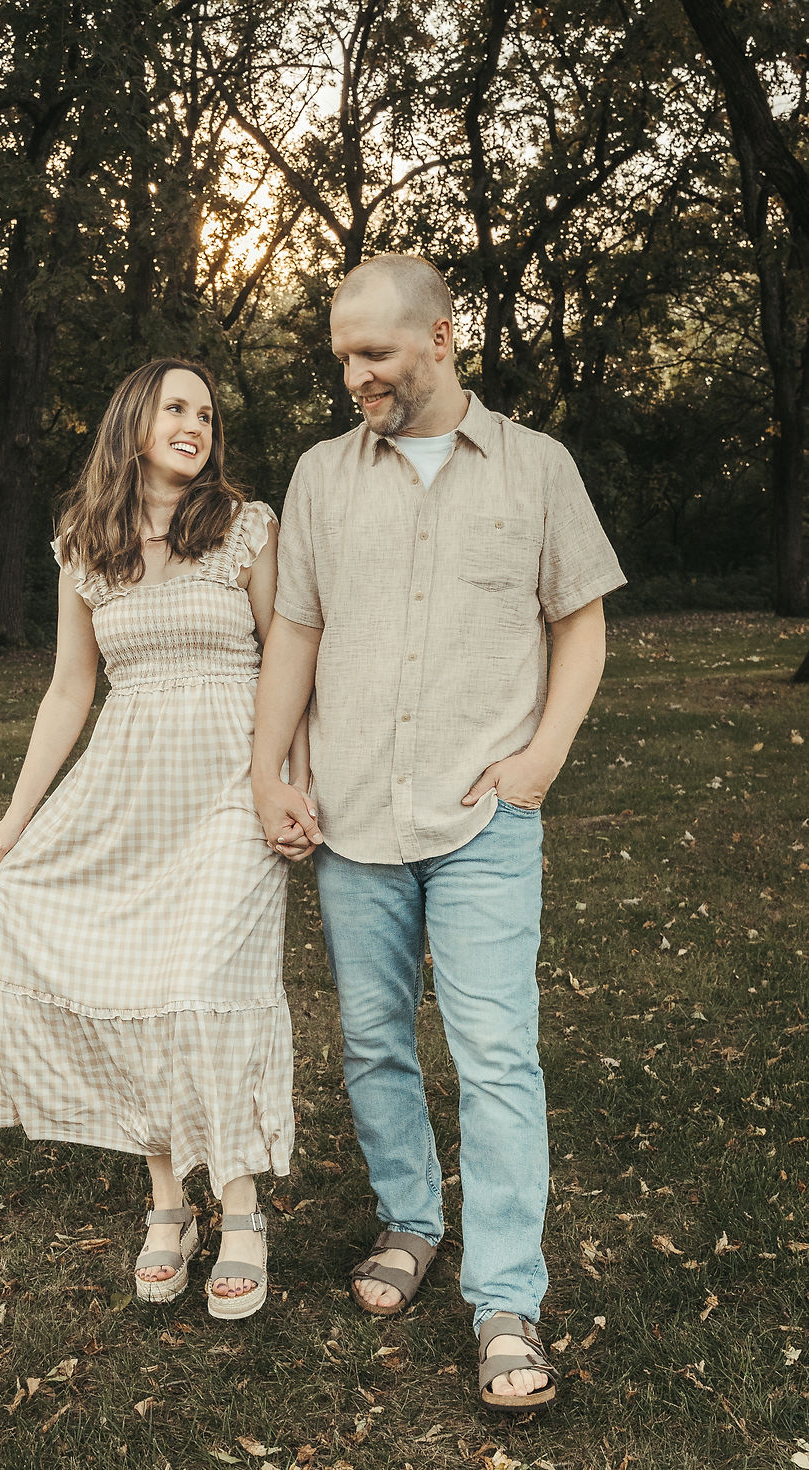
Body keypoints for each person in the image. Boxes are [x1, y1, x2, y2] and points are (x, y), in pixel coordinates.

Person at [251, 255, 626, 1410]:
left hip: (481, 822)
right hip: (355, 817)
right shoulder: (320, 475)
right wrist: (270, 771)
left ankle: (504, 1296)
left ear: (442, 337)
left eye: (373, 353)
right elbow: (297, 636)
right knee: (372, 1042)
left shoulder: (535, 467)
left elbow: (580, 626)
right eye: (341, 357)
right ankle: (409, 1221)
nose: (354, 375)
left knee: (495, 1056)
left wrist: (539, 761)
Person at [0, 358, 309, 1319]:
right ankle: (167, 1203)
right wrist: (17, 816)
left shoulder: (247, 526)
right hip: (128, 788)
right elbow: (71, 690)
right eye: (175, 408)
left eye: (207, 413)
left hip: (232, 781)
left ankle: (240, 1211)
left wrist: (287, 781)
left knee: (206, 985)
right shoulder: (82, 543)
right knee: (137, 988)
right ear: (133, 424)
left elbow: (289, 656)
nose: (195, 424)